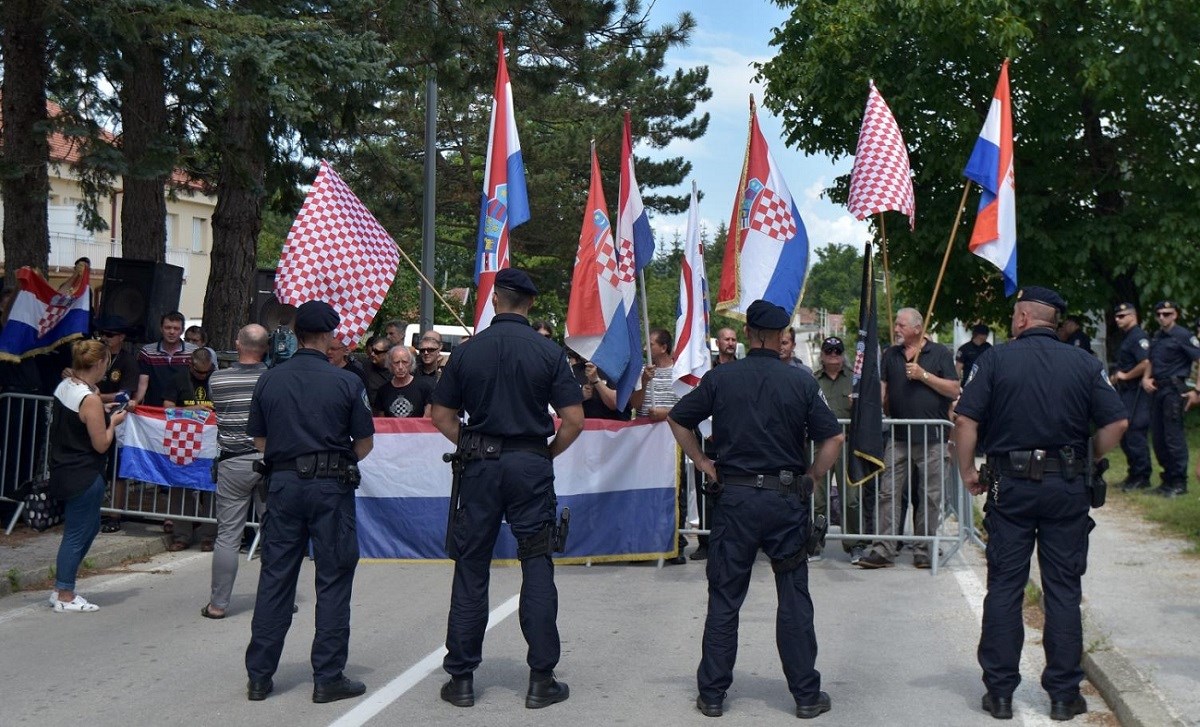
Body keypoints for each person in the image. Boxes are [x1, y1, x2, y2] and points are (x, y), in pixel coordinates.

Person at [953, 285, 1127, 722]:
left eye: (1015, 314)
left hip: (1009, 488)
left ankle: (1000, 694)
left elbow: (966, 419)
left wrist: (968, 472)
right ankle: (1064, 696)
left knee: (1006, 588)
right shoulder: (1086, 363)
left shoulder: (994, 359)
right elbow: (1117, 422)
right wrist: (1089, 457)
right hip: (1067, 486)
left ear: (1025, 318)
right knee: (1063, 590)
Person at [668, 299, 843, 720]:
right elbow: (833, 438)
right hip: (785, 499)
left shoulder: (722, 377)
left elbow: (678, 418)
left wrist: (703, 462)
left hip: (736, 498)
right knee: (793, 595)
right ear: (783, 336)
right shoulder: (800, 382)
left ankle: (711, 695)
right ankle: (805, 695)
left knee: (725, 597)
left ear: (747, 334)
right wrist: (813, 478)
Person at [431, 267, 584, 711]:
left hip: (479, 464)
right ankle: (541, 679)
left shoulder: (467, 352)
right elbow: (574, 419)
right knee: (536, 561)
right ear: (530, 304)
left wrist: (474, 444)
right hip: (530, 463)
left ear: (495, 299)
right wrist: (546, 454)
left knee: (472, 565)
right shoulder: (548, 352)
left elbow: (441, 416)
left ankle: (461, 679)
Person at [244, 300, 374, 704]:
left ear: (297, 334)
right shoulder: (347, 382)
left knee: (276, 578)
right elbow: (365, 444)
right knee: (333, 579)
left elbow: (259, 441)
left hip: (282, 483)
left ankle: (260, 677)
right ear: (329, 335)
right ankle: (327, 676)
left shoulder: (269, 379)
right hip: (330, 485)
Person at [858, 307, 959, 570]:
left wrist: (923, 375)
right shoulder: (890, 354)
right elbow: (883, 391)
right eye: (897, 325)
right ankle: (883, 548)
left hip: (932, 436)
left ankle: (924, 548)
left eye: (902, 325)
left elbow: (953, 388)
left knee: (930, 495)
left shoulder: (940, 353)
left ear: (917, 328)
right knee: (888, 491)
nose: (896, 329)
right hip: (899, 435)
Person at [48, 338, 129, 612]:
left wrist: (103, 413)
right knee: (76, 532)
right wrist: (114, 422)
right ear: (97, 363)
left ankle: (63, 585)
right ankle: (65, 593)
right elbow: (102, 443)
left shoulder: (66, 387)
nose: (107, 366)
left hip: (65, 466)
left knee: (90, 527)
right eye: (106, 361)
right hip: (83, 471)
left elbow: (80, 420)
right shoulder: (90, 398)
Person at [201, 324, 270, 620]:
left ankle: (218, 604)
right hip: (269, 460)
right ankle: (276, 600)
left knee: (228, 535)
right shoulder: (272, 378)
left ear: (237, 344)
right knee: (275, 533)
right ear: (266, 347)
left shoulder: (217, 378)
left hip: (233, 461)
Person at [631, 328, 687, 564]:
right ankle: (643, 544)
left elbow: (689, 406)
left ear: (664, 347)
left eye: (651, 344)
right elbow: (633, 403)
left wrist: (664, 413)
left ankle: (675, 545)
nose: (646, 349)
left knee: (674, 493)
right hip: (646, 442)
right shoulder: (642, 372)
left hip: (673, 441)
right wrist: (643, 381)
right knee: (644, 491)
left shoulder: (680, 373)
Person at [814, 336, 866, 564]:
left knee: (851, 499)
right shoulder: (813, 381)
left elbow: (865, 412)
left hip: (847, 447)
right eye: (829, 350)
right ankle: (815, 544)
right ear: (822, 354)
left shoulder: (854, 381)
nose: (833, 354)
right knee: (818, 499)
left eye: (837, 350)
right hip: (820, 447)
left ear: (843, 354)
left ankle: (854, 545)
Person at [1141, 300, 1200, 497]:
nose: (1162, 317)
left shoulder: (1183, 336)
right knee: (1158, 438)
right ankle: (1167, 480)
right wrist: (1146, 378)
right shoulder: (1157, 336)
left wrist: (1197, 391)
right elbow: (1150, 360)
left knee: (1173, 438)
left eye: (1167, 313)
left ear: (1175, 315)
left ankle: (1179, 482)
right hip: (1158, 389)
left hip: (1174, 391)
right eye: (1159, 314)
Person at [94, 315, 138, 533]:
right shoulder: (95, 357)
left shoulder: (127, 361)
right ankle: (92, 511)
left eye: (110, 335)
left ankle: (114, 515)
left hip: (117, 420)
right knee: (94, 465)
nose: (105, 338)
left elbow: (124, 395)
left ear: (121, 337)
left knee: (117, 469)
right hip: (93, 417)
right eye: (102, 334)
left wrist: (95, 397)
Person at [1110, 303, 1151, 491]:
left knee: (1134, 432)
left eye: (1121, 316)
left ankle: (1142, 477)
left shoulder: (1138, 337)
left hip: (1136, 392)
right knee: (1125, 434)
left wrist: (1125, 376)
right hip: (1125, 391)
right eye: (1116, 316)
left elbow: (1145, 363)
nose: (1117, 319)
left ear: (1133, 316)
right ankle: (1134, 474)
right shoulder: (1127, 337)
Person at [135, 311, 197, 406]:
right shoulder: (147, 351)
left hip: (185, 410)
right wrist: (135, 401)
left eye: (176, 328)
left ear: (182, 331)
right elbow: (142, 383)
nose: (172, 332)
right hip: (153, 409)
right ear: (161, 328)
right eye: (168, 328)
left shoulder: (193, 352)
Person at [374, 344, 434, 417]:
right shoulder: (383, 391)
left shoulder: (424, 388)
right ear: (390, 364)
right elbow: (381, 423)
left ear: (411, 363)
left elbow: (426, 420)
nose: (400, 367)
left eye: (405, 362)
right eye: (396, 362)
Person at [363, 335, 392, 403]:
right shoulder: (365, 367)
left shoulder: (397, 369)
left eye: (377, 352)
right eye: (372, 350)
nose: (372, 354)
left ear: (388, 353)